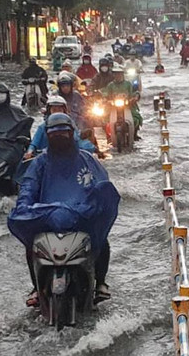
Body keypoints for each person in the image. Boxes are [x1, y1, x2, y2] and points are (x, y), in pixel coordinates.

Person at [8, 113, 120, 306]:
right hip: (46, 219)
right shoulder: (40, 163)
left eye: (63, 133)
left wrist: (95, 205)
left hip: (81, 217)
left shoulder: (86, 160)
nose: (59, 138)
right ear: (48, 136)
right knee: (30, 247)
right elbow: (28, 187)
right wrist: (24, 206)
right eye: (54, 134)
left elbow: (101, 184)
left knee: (102, 240)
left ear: (71, 133)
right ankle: (36, 286)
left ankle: (101, 283)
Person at [28, 93, 97, 157]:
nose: (57, 112)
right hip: (46, 158)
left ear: (64, 110)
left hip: (67, 158)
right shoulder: (43, 126)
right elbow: (34, 143)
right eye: (54, 110)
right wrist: (29, 152)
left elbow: (77, 140)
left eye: (59, 109)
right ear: (49, 111)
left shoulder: (71, 125)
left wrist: (91, 149)